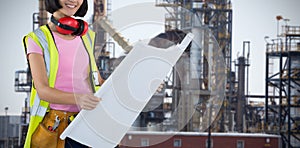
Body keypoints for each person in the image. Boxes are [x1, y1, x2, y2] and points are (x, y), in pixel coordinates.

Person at [22, 0, 104, 147]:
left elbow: (98, 81)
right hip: (58, 129)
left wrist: (140, 86)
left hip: (89, 124)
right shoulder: (37, 39)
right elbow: (43, 91)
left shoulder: (87, 37)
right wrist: (79, 99)